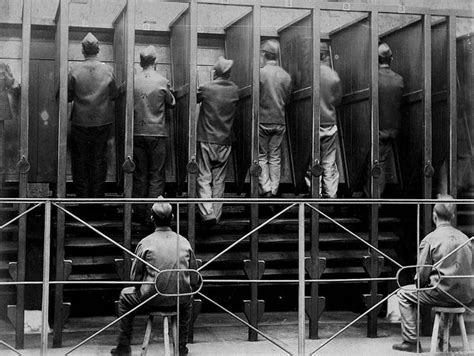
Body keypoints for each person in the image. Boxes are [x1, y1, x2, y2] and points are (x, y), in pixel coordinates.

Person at [111, 197, 199, 356]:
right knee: (188, 299)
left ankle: (123, 346)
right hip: (179, 298)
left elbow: (135, 280)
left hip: (152, 298)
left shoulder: (146, 243)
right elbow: (194, 278)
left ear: (152, 218)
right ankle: (181, 347)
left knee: (125, 296)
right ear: (172, 218)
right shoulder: (184, 242)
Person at [392, 194, 473, 353]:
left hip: (442, 293)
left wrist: (420, 284)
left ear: (434, 217)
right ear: (453, 216)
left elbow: (421, 275)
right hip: (466, 295)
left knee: (402, 293)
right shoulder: (465, 238)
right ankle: (444, 340)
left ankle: (411, 341)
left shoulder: (430, 239)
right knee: (447, 292)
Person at [68, 32, 118, 198]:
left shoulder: (74, 70)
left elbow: (67, 96)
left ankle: (82, 200)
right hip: (102, 122)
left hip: (80, 122)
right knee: (99, 160)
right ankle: (96, 199)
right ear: (98, 50)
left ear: (83, 50)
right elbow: (114, 94)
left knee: (80, 162)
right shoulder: (108, 70)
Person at [133, 45, 176, 223]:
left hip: (137, 132)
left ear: (140, 62)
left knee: (140, 173)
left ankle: (139, 212)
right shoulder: (162, 80)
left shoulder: (133, 79)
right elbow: (172, 102)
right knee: (156, 174)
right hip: (157, 133)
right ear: (155, 61)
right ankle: (154, 215)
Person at [196, 56, 239, 225]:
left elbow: (194, 98)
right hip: (226, 140)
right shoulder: (235, 89)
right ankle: (217, 214)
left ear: (215, 72)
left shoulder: (206, 88)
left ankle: (207, 213)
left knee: (204, 176)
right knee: (219, 180)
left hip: (207, 138)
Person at [364, 43, 404, 197]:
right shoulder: (399, 80)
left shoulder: (373, 78)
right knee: (380, 163)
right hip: (392, 129)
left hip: (376, 129)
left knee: (375, 165)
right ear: (391, 58)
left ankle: (374, 202)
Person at [258, 39, 292, 198]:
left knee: (261, 156)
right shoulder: (286, 76)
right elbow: (288, 99)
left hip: (263, 120)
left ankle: (265, 188)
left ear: (265, 55)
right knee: (275, 156)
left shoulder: (260, 73)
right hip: (279, 120)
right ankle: (274, 188)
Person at [316, 48, 342, 198]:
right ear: (325, 56)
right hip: (330, 122)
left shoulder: (310, 73)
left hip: (315, 122)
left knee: (313, 159)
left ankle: (315, 192)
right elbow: (338, 99)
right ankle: (331, 193)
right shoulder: (333, 75)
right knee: (329, 160)